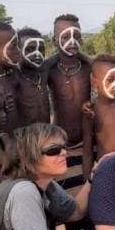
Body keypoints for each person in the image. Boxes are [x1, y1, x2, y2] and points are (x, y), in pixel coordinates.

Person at [42, 14, 92, 194]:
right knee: (67, 198)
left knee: (89, 194)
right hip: (61, 146)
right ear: (55, 41)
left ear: (82, 39)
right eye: (65, 36)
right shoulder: (48, 69)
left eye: (76, 36)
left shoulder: (90, 67)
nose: (72, 41)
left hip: (89, 144)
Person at [82, 55, 115, 179]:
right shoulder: (91, 112)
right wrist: (87, 182)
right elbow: (87, 152)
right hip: (106, 170)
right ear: (94, 82)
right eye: (110, 80)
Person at [16, 26, 51, 126]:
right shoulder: (13, 77)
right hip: (24, 134)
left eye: (41, 49)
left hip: (46, 133)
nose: (37, 54)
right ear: (17, 51)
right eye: (30, 49)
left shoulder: (44, 71)